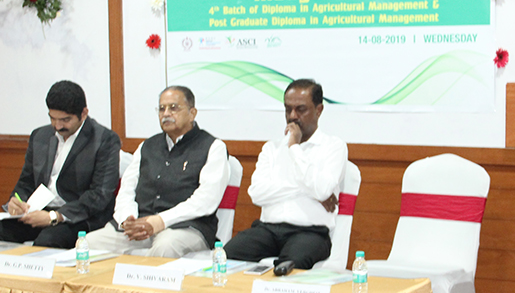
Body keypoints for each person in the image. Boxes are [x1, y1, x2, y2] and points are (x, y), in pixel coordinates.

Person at [85, 86, 229, 258]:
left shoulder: (213, 147)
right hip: (141, 224)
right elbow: (127, 189)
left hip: (185, 227)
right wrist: (128, 219)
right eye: (161, 109)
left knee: (166, 247)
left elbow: (206, 200)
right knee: (89, 243)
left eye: (173, 108)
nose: (166, 114)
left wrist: (160, 221)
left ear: (192, 113)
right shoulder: (147, 146)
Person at [224, 79, 347, 270]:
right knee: (226, 256)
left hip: (310, 233)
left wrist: (294, 147)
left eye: (301, 109)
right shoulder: (271, 148)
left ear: (319, 110)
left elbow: (322, 190)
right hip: (267, 229)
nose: (292, 116)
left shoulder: (333, 147)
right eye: (288, 109)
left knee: (290, 266)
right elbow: (257, 194)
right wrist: (308, 191)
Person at [0, 80, 120, 249]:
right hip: (38, 211)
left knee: (48, 241)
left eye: (65, 120)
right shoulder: (40, 136)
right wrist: (16, 202)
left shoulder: (104, 140)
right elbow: (26, 181)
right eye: (52, 118)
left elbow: (99, 195)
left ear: (84, 113)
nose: (58, 126)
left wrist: (55, 216)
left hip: (77, 216)